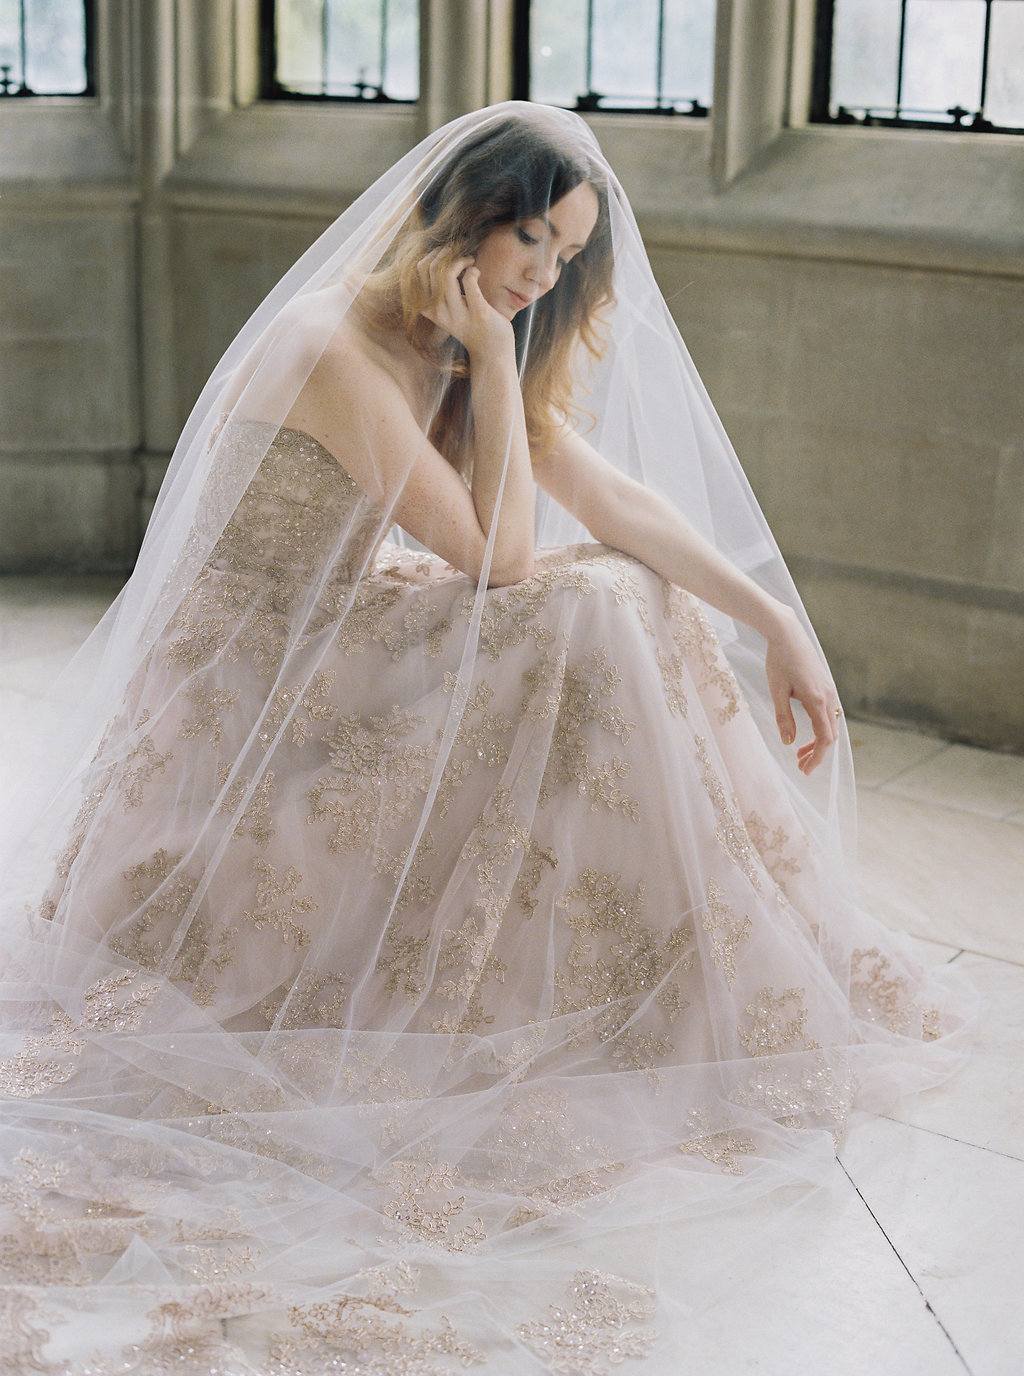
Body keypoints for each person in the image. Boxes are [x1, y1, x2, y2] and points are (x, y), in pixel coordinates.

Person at [0, 103, 969, 1373]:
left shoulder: (441, 335)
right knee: (578, 615)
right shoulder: (331, 344)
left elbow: (603, 498)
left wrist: (774, 617)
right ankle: (618, 983)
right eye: (531, 238)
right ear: (464, 216)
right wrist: (498, 361)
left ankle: (658, 974)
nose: (541, 274)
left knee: (628, 597)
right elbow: (500, 559)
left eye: (565, 257)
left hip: (339, 637)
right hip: (254, 698)